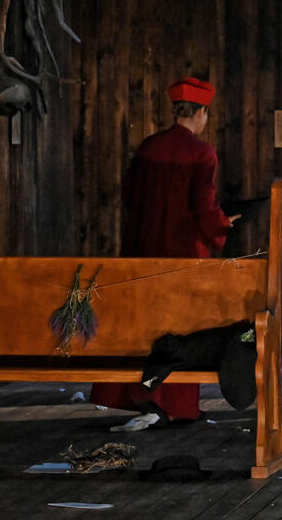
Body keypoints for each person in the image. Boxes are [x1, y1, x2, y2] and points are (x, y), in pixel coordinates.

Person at [94, 76, 241, 432]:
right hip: (182, 257)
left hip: (143, 250)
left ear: (177, 110)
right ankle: (176, 406)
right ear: (201, 113)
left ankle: (143, 395)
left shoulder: (148, 147)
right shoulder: (202, 153)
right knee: (181, 329)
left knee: (144, 324)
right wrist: (224, 224)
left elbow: (130, 197)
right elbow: (204, 209)